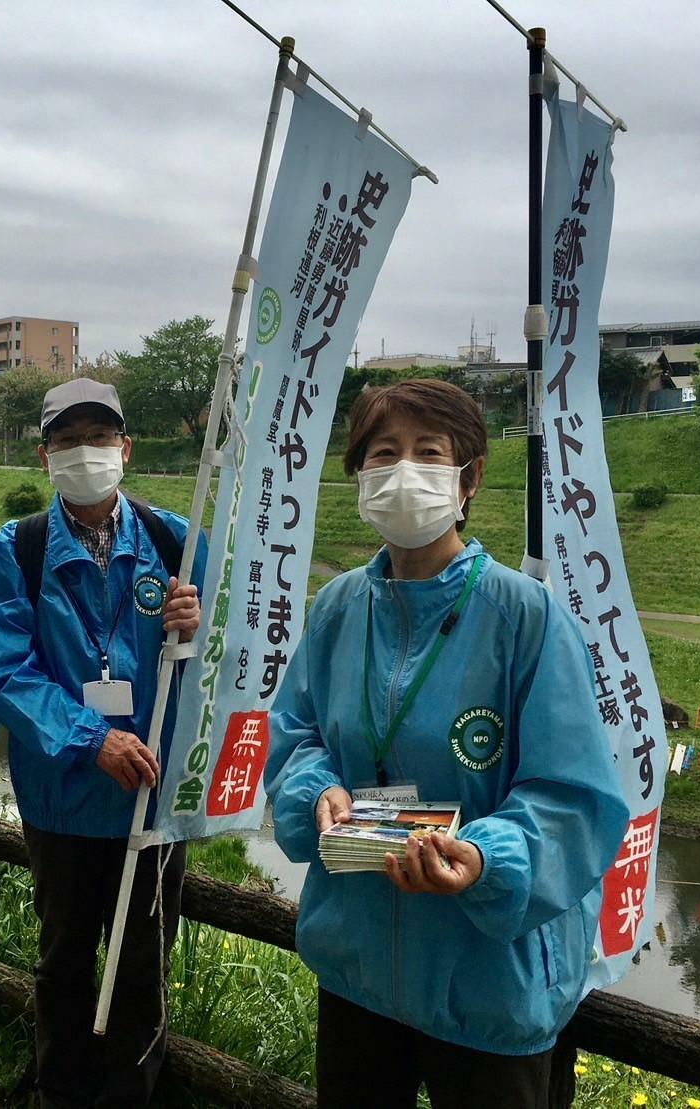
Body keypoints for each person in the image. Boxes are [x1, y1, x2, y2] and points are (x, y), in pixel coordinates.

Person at [264, 379, 629, 1109]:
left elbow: (576, 796)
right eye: (382, 453)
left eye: (428, 453)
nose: (403, 473)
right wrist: (315, 790)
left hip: (487, 985)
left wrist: (488, 856)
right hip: (356, 967)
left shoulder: (524, 617)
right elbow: (296, 733)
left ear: (468, 478)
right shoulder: (337, 607)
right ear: (357, 474)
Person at [0, 379, 204, 1109]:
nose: (85, 452)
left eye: (99, 437)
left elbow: (227, 660)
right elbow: (4, 670)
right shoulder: (19, 549)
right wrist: (89, 738)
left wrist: (195, 626)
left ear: (125, 449)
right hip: (64, 800)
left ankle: (132, 1096)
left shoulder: (174, 542)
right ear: (45, 455)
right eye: (67, 440)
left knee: (141, 969)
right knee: (63, 960)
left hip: (150, 801)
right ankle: (58, 1093)